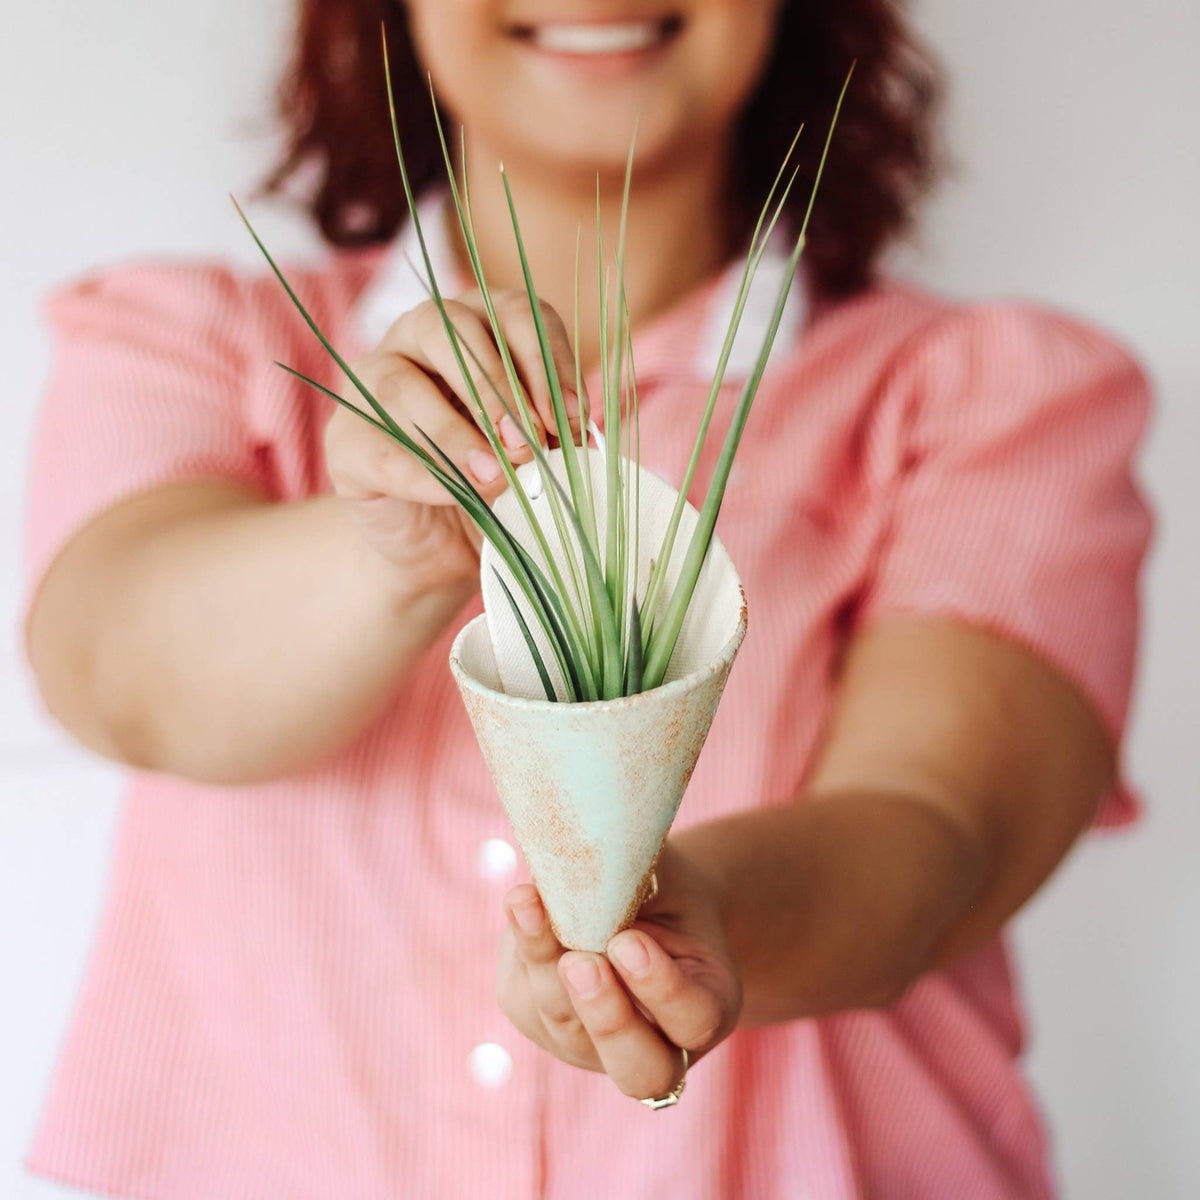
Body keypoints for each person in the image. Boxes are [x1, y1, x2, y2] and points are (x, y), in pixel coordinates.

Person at [20, 1, 1152, 1197]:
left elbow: (942, 832)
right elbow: (114, 669)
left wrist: (692, 914)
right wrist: (397, 546)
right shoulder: (198, 340)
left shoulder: (996, 399)